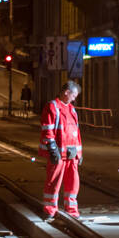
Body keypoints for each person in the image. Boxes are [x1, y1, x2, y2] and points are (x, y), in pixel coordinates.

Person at [39, 80, 83, 222]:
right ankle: (50, 209)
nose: (75, 98)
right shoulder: (52, 107)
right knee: (54, 181)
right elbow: (47, 129)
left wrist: (79, 153)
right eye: (74, 95)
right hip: (58, 152)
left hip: (71, 153)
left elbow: (76, 133)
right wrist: (52, 149)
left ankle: (72, 209)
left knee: (73, 181)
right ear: (66, 92)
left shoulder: (71, 110)